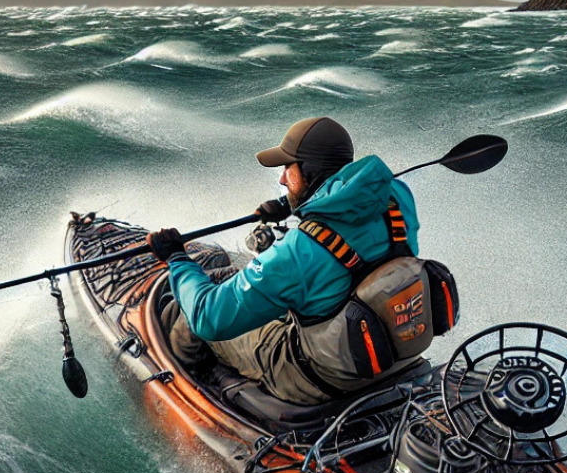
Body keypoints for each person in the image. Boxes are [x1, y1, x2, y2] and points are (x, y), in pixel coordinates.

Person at [146, 117, 427, 405]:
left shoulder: (300, 250)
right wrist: (294, 205)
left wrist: (177, 259)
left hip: (317, 379)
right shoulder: (398, 197)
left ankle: (184, 386)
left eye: (287, 168)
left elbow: (209, 318)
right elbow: (352, 217)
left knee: (193, 315)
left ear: (311, 172)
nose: (281, 178)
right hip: (393, 352)